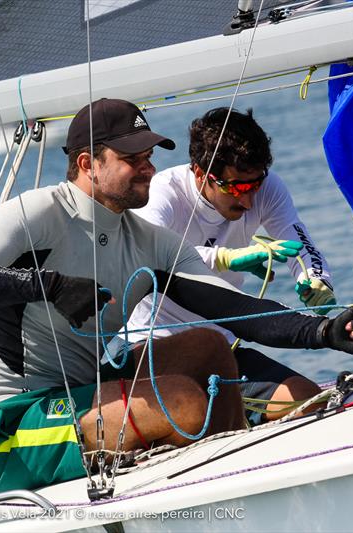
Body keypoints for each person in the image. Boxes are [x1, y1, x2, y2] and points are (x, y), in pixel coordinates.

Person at [0, 98, 353, 495]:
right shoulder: (40, 213)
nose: (150, 168)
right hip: (5, 427)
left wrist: (325, 330)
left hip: (83, 388)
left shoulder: (150, 241)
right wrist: (52, 286)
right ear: (89, 164)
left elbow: (237, 311)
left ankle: (234, 486)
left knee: (210, 345)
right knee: (182, 401)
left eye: (149, 155)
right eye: (133, 159)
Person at [122, 107, 337, 423]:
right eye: (236, 187)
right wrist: (226, 258)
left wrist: (317, 279)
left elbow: (300, 243)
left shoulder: (267, 187)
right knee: (196, 416)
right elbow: (151, 256)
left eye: (254, 186)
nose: (248, 201)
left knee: (307, 400)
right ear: (200, 173)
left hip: (219, 349)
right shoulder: (163, 192)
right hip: (154, 348)